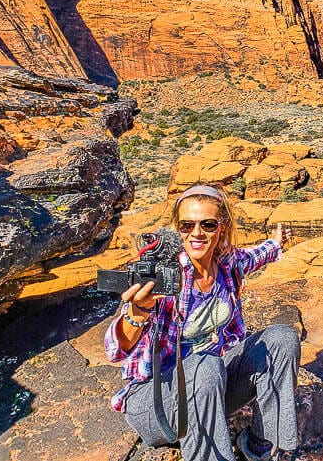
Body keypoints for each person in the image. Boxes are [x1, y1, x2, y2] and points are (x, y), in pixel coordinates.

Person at [104, 184, 299, 461]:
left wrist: (276, 243)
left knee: (282, 339)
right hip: (159, 402)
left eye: (207, 224)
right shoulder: (167, 275)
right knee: (204, 365)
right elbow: (115, 348)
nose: (196, 233)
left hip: (211, 389)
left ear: (222, 226)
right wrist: (137, 313)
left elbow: (256, 256)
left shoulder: (228, 263)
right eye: (187, 225)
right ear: (178, 228)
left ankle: (263, 447)